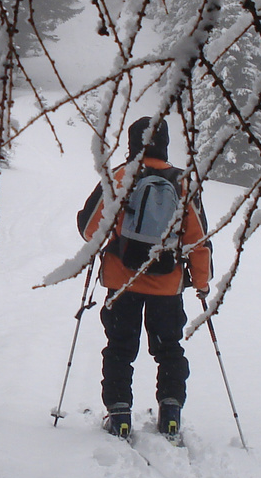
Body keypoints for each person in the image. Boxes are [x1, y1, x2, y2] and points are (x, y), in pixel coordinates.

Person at [76, 116, 211, 440]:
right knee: (169, 349)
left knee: (120, 348)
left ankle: (120, 414)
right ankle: (171, 412)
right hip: (167, 284)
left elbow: (89, 229)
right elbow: (198, 240)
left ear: (132, 142)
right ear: (164, 143)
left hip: (122, 282)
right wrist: (202, 283)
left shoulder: (121, 176)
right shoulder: (183, 182)